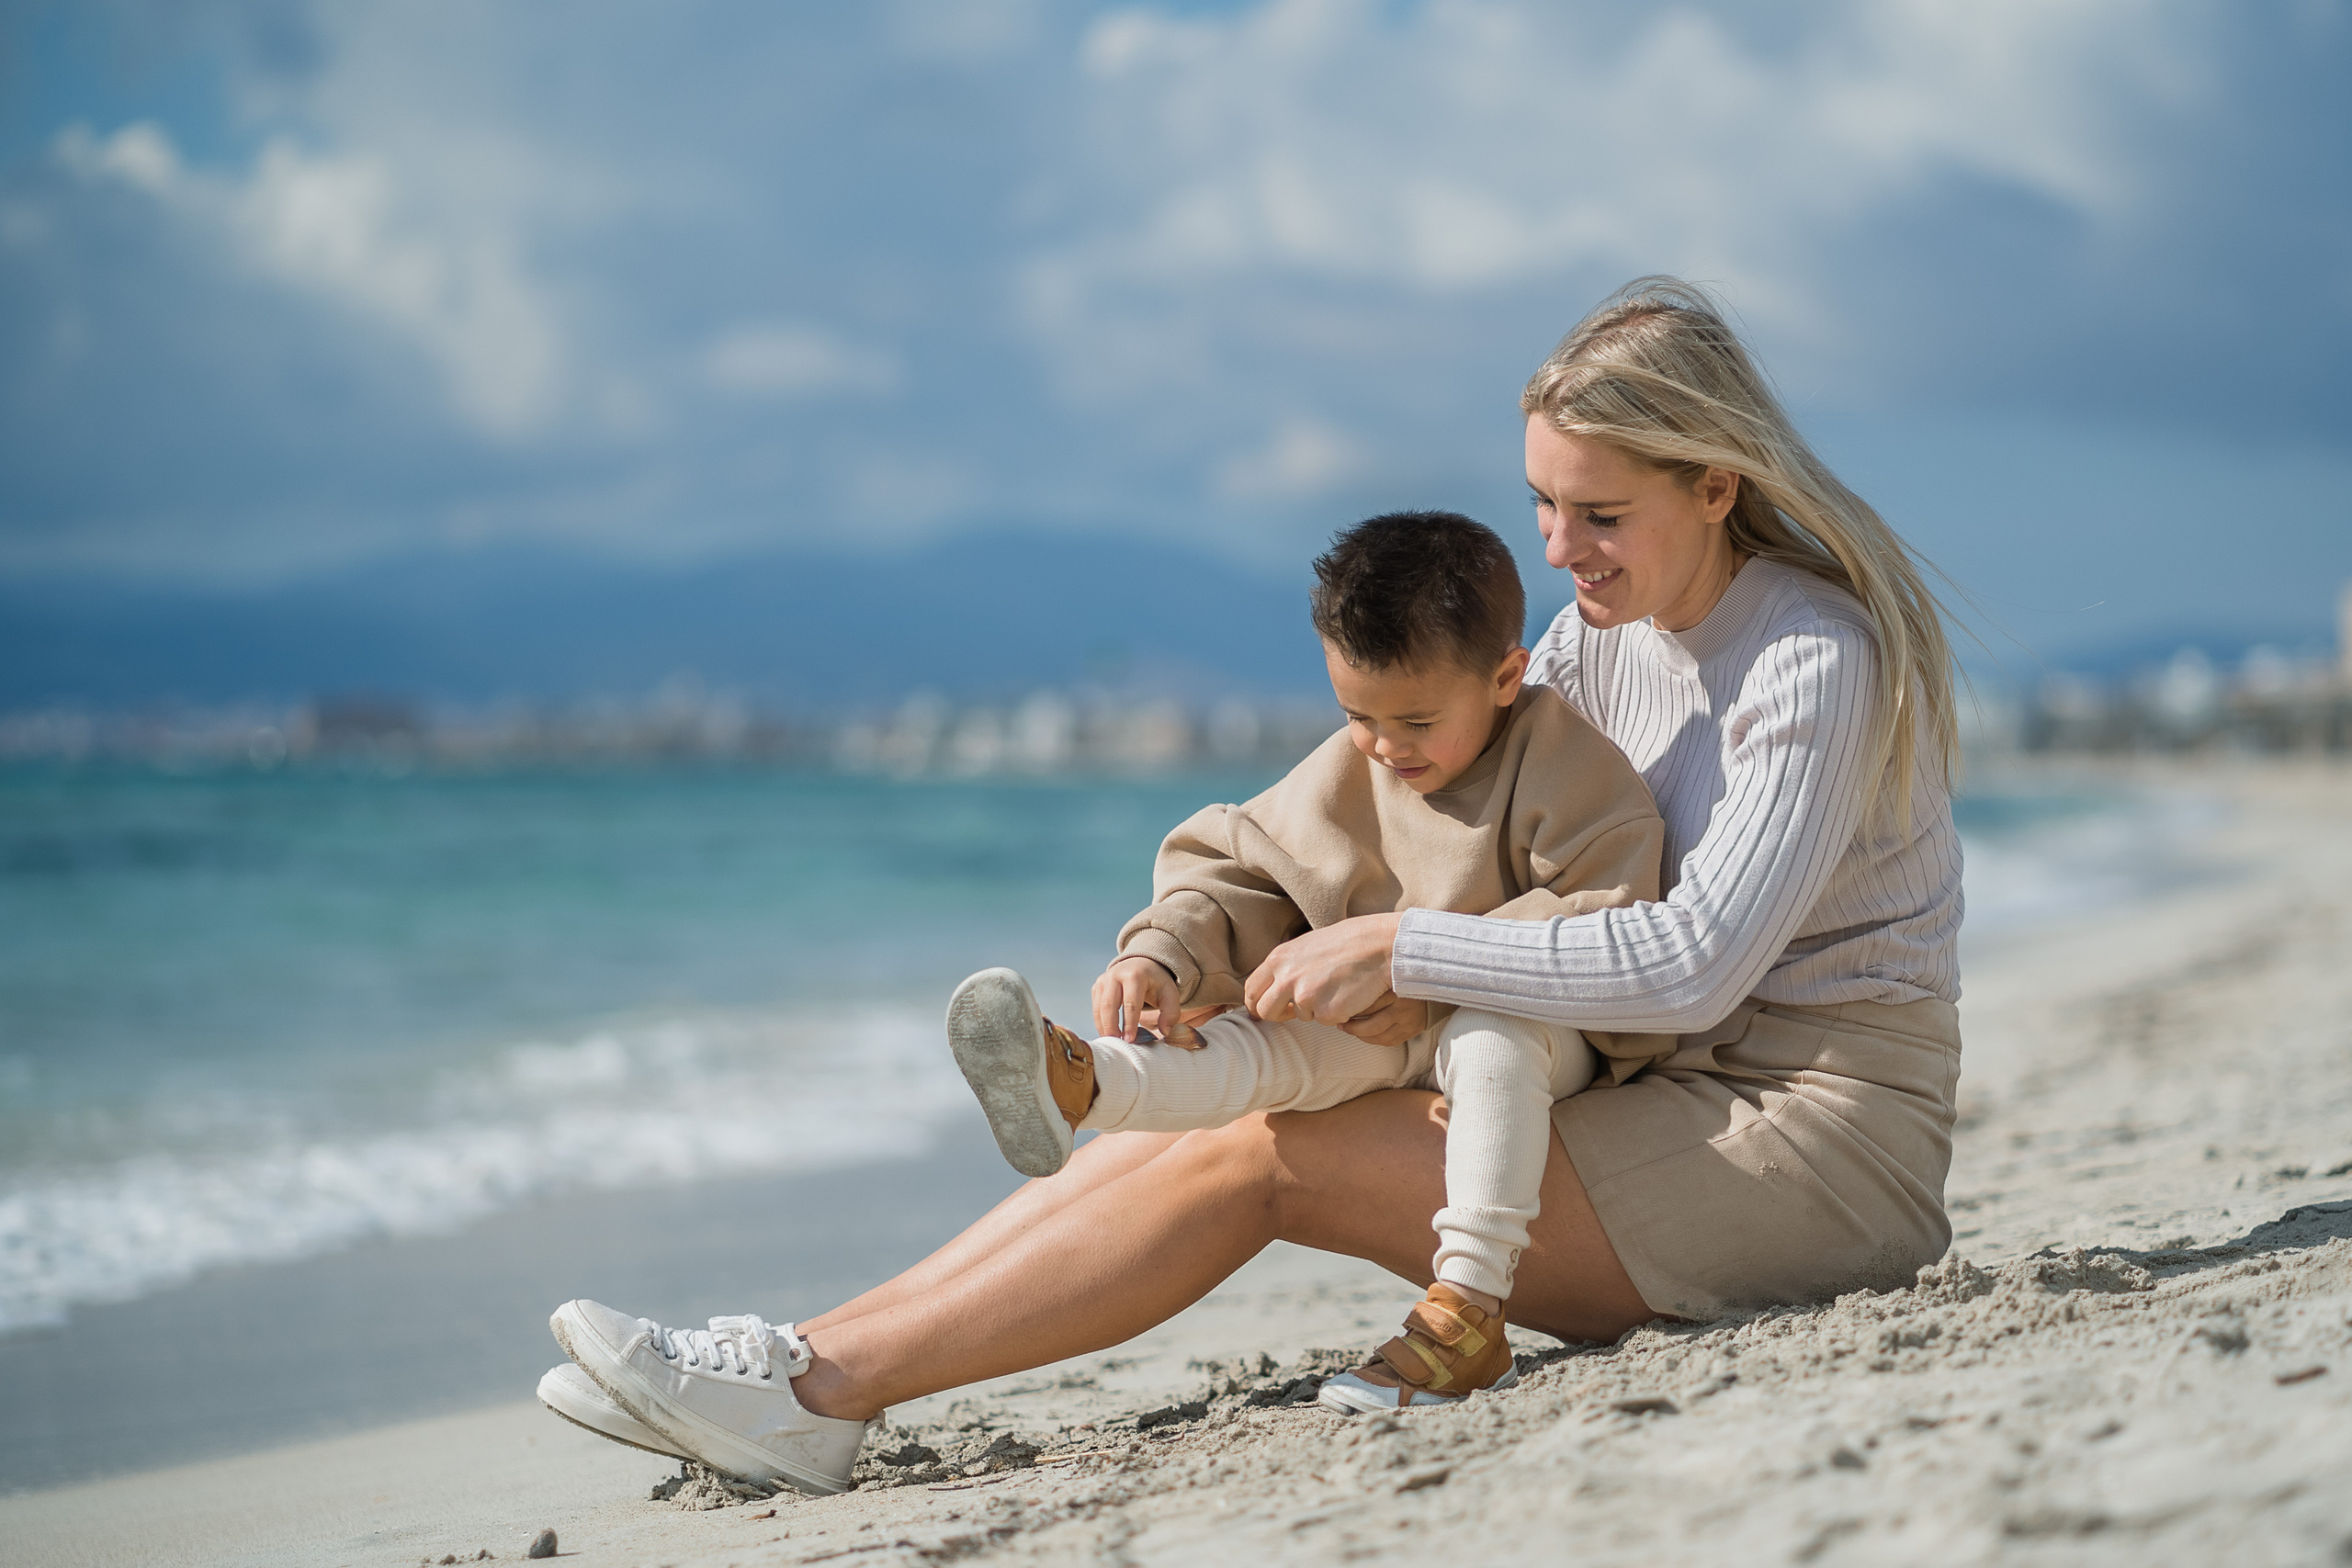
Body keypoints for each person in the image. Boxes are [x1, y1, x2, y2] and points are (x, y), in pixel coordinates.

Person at [542, 276, 1966, 1499]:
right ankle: (797, 1361)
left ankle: (822, 1392)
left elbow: (1696, 966)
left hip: (1810, 1148)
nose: (1555, 549)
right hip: (1643, 1095)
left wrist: (1411, 949)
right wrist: (1187, 953)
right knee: (1240, 1094)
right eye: (1539, 503)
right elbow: (1353, 838)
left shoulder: (1809, 653)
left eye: (1599, 512)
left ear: (1717, 483)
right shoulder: (1587, 648)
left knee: (1272, 1152)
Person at [942, 509, 1670, 1416]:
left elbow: (1608, 919)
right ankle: (1089, 1084)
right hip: (1379, 1026)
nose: (1383, 746)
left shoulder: (1572, 769)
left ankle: (1469, 1309)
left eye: (1414, 720)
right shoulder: (1353, 766)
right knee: (1270, 1040)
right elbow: (1243, 869)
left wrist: (1433, 975)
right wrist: (1162, 958)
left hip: (1532, 1027)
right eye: (1357, 715)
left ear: (1505, 677)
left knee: (1492, 1041)